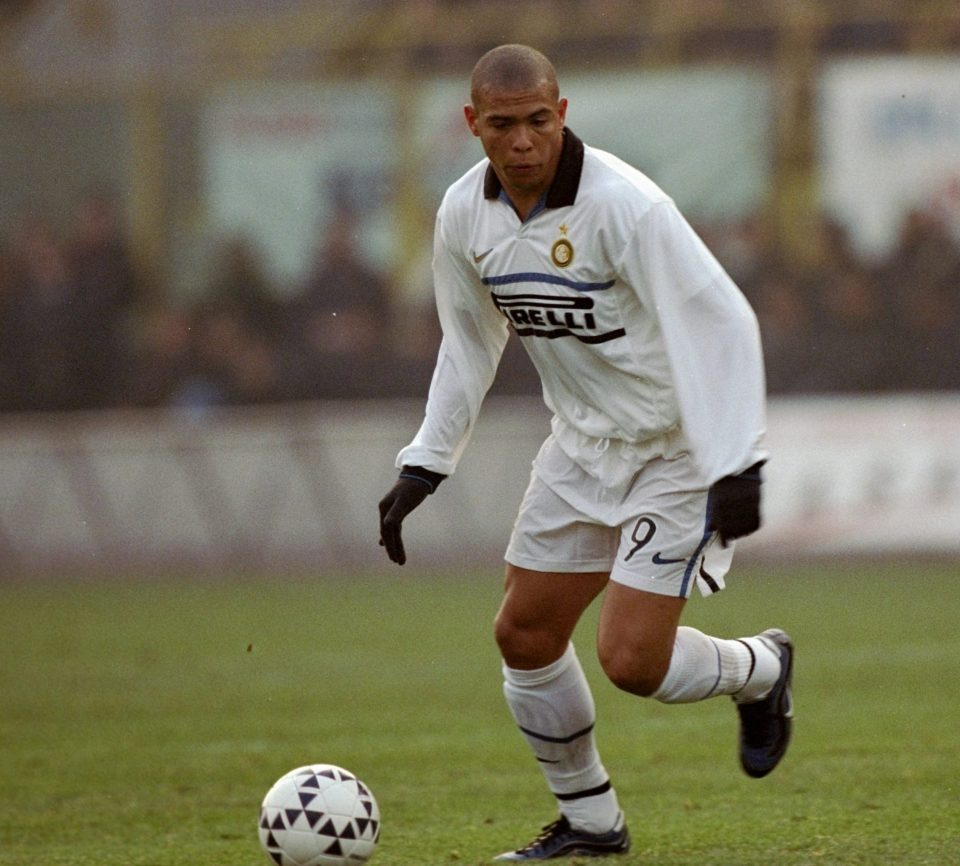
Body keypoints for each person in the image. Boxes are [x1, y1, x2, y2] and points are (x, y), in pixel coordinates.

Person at [378, 45, 793, 861]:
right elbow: (468, 343)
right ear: (473, 126)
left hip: (675, 450)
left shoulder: (625, 207)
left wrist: (738, 460)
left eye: (539, 120)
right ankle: (593, 825)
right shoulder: (464, 215)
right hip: (579, 447)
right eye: (503, 125)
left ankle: (761, 668)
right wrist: (425, 461)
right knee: (524, 635)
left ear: (562, 113)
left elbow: (723, 321)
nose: (524, 141)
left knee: (632, 661)